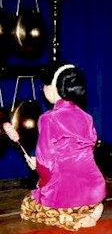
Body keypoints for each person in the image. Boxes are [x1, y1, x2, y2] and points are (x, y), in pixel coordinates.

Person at [4, 64, 106, 231]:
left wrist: (36, 167)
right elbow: (85, 152)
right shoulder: (86, 117)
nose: (42, 89)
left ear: (53, 87)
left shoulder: (48, 118)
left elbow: (46, 166)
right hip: (95, 190)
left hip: (67, 194)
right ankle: (92, 210)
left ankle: (71, 220)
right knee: (85, 200)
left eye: (44, 85)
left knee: (28, 206)